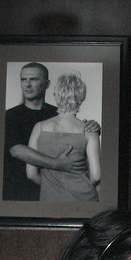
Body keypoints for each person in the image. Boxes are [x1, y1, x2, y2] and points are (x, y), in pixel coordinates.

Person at [3, 62, 97, 201]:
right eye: (23, 79)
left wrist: (91, 127)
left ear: (47, 84)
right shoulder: (9, 116)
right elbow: (16, 150)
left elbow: (78, 147)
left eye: (33, 79)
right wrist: (56, 163)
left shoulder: (58, 114)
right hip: (18, 191)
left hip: (53, 193)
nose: (27, 85)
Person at [25, 72, 101, 202]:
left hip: (50, 199)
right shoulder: (89, 130)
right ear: (82, 97)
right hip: (84, 199)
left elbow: (31, 174)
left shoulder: (39, 127)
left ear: (55, 96)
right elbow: (96, 176)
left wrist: (54, 188)